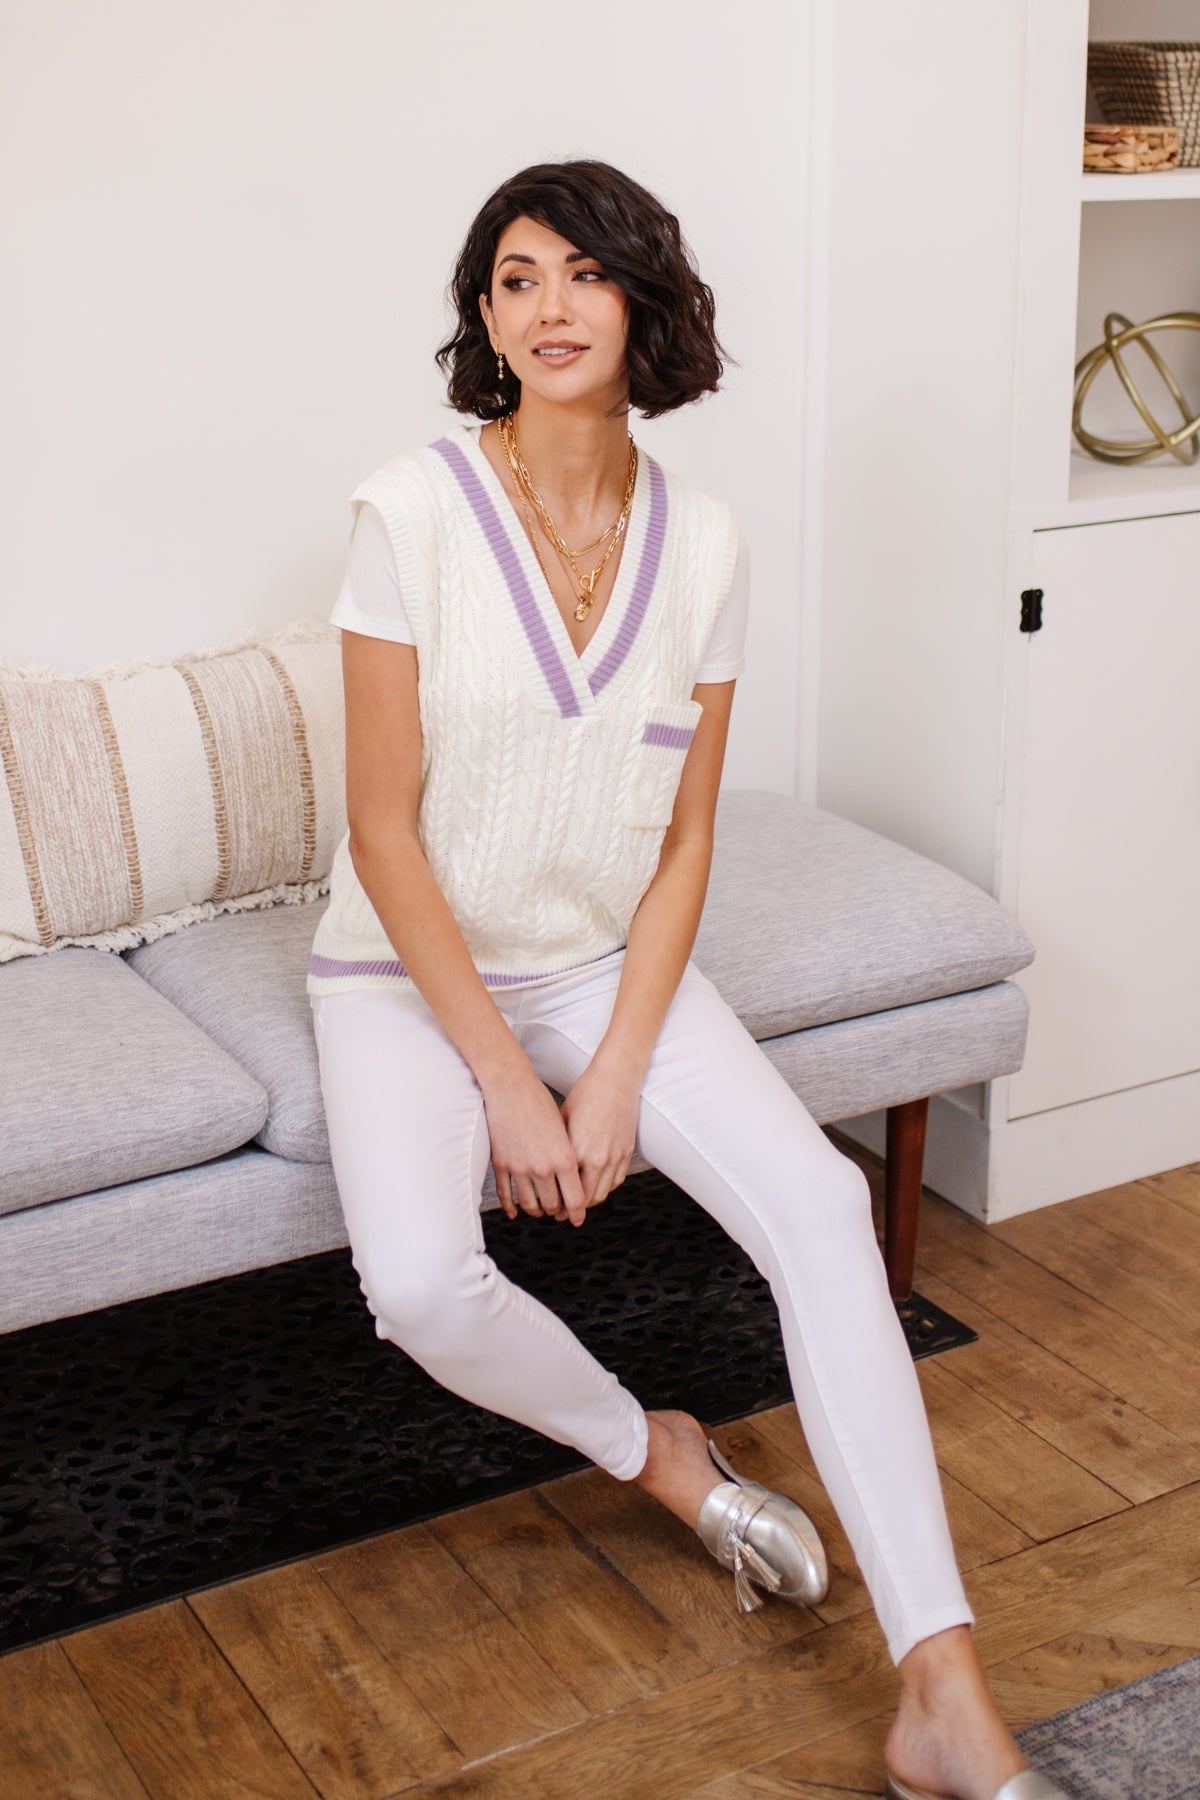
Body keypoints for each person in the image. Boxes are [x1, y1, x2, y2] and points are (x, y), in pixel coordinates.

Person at [307, 159, 1063, 1800]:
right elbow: (381, 831)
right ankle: (658, 1457)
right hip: (402, 972)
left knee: (821, 1208)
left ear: (643, 299)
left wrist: (611, 1072)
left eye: (583, 272)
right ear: (483, 317)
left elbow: (686, 839)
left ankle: (941, 1692)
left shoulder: (705, 543)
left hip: (597, 960)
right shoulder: (408, 514)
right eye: (515, 278)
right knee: (420, 1288)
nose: (549, 307)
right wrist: (509, 1085)